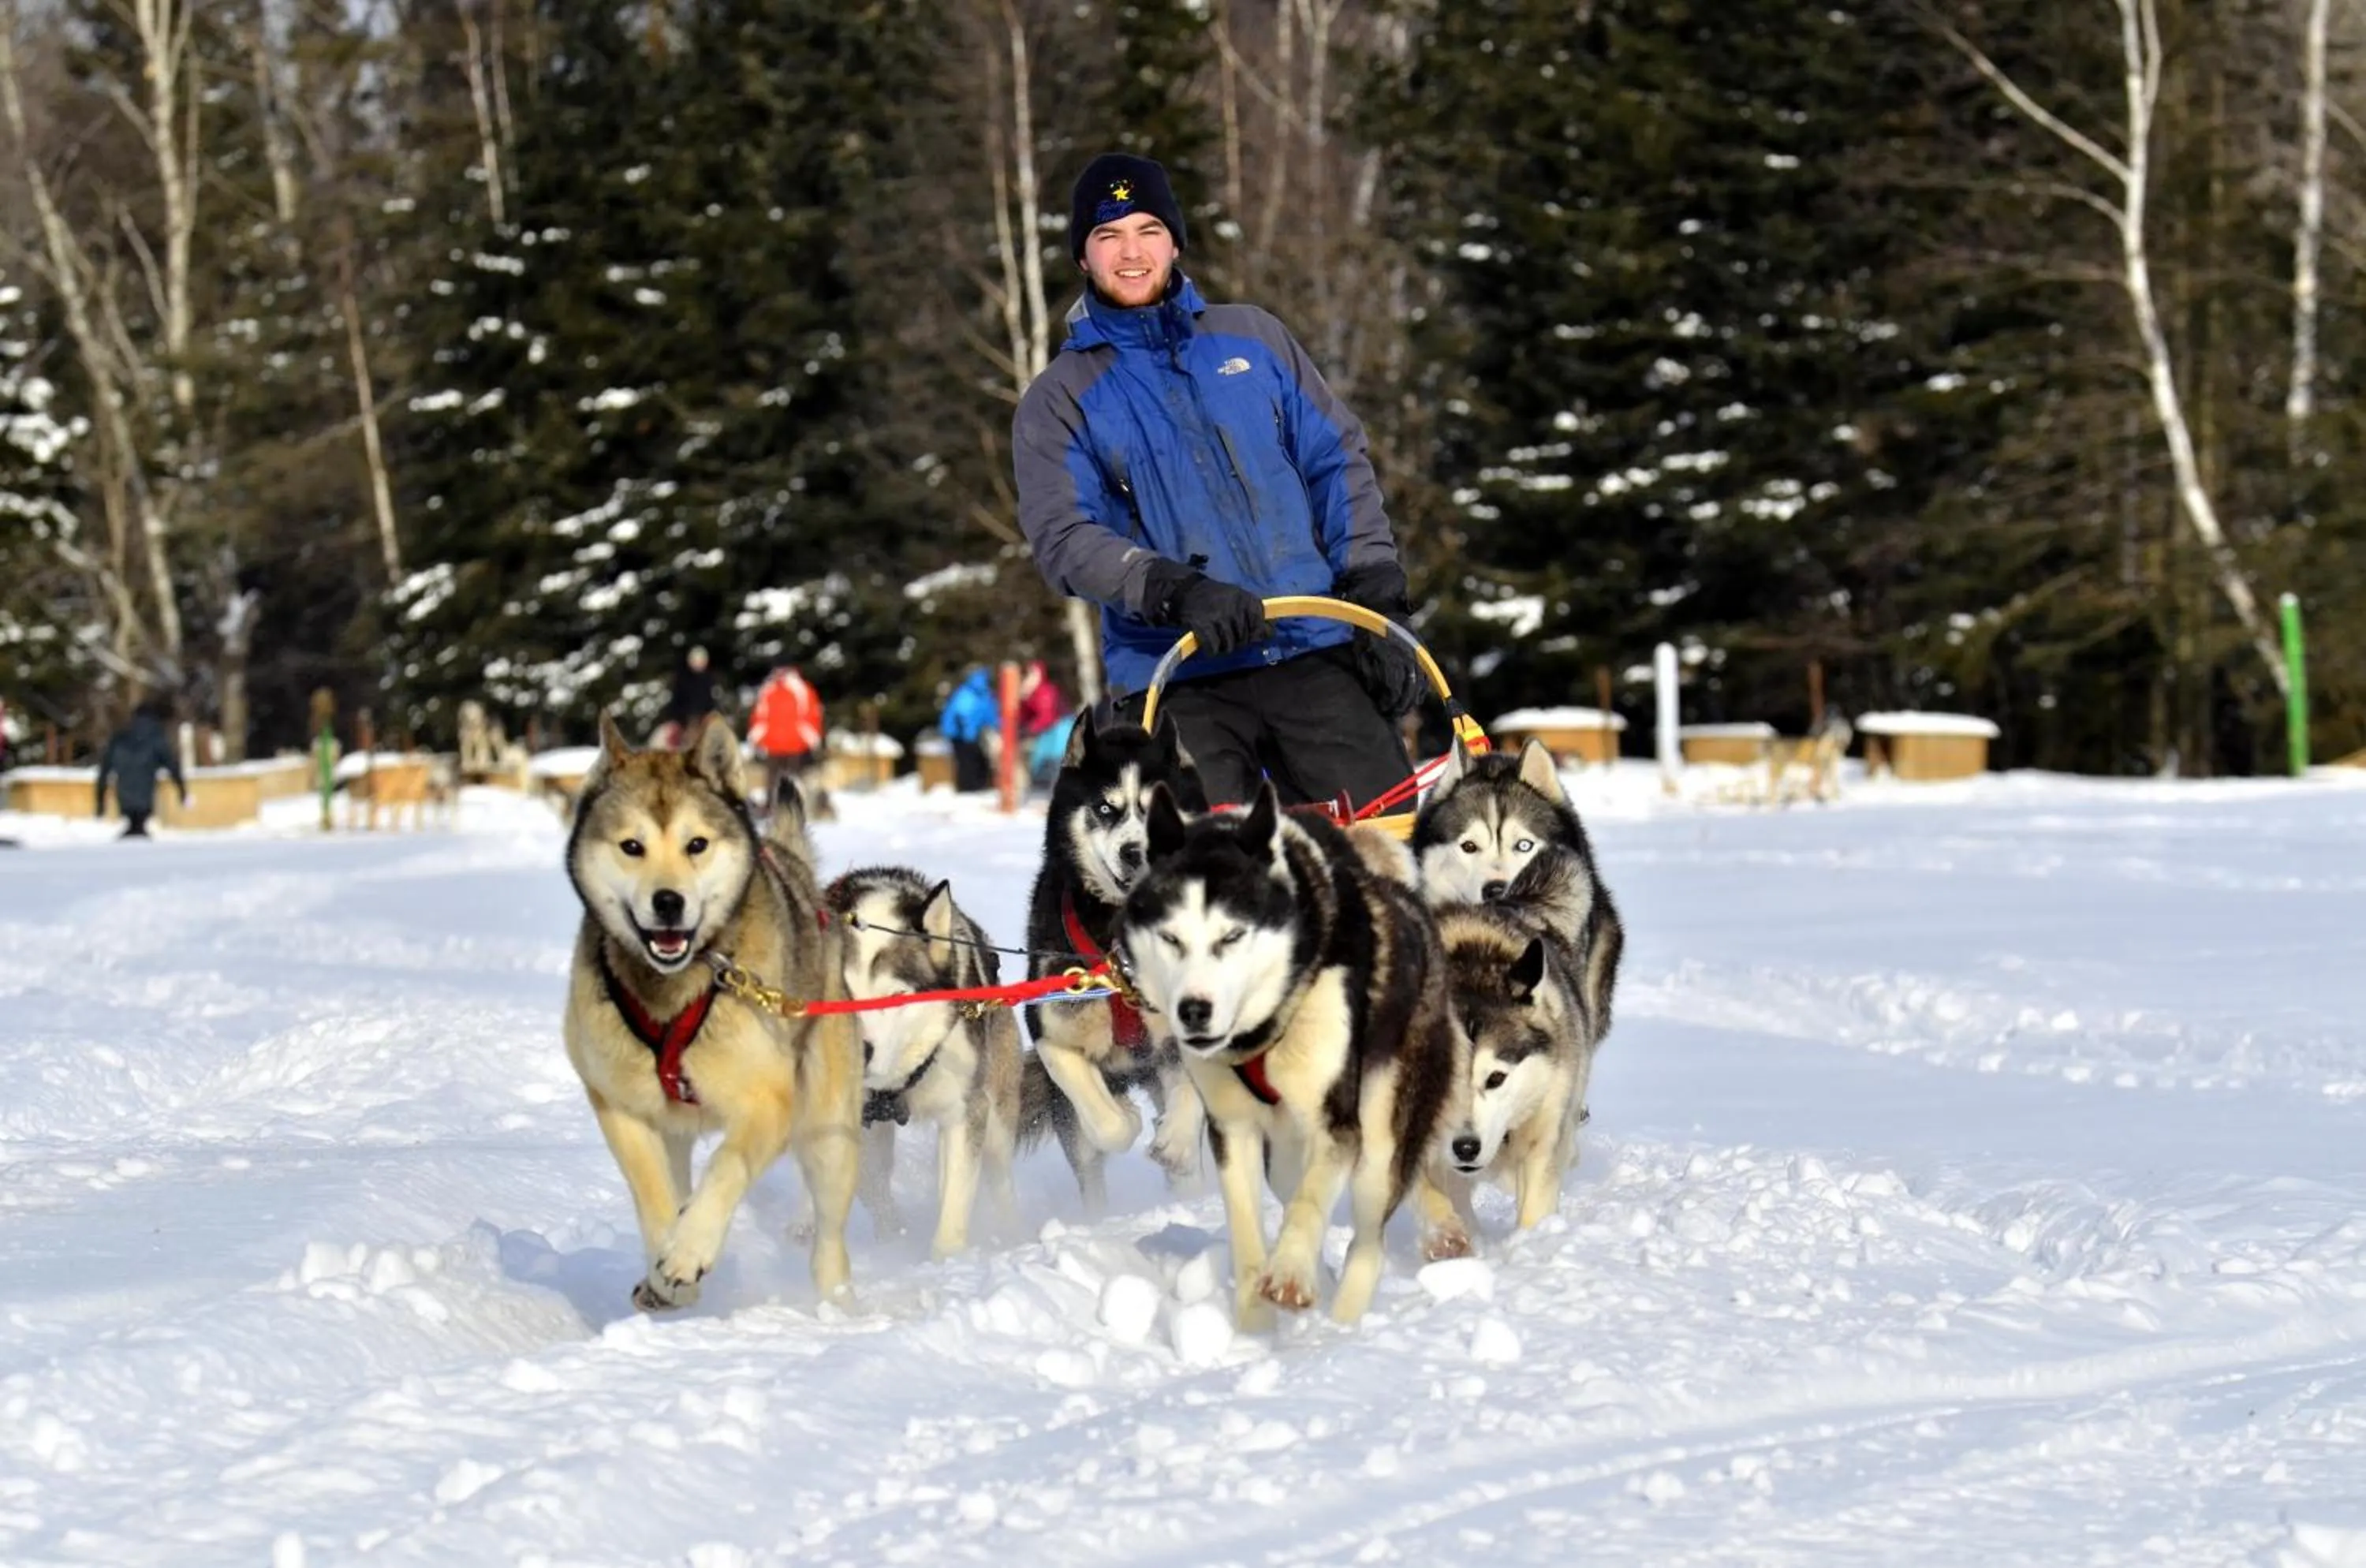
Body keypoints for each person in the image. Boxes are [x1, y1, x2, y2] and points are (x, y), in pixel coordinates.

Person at [1011, 151, 1427, 815]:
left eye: (1148, 230)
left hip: (1314, 651)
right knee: (1205, 893)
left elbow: (1335, 460)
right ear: (1082, 259)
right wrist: (1175, 589)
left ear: (1175, 241)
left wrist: (1375, 586)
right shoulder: (1057, 399)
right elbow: (1065, 537)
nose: (1131, 253)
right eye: (1107, 235)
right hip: (1176, 683)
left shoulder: (1255, 338)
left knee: (1386, 864)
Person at [96, 700, 187, 838]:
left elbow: (105, 769)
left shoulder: (121, 737)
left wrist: (100, 801)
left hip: (124, 791)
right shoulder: (156, 737)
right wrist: (181, 788)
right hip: (146, 791)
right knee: (139, 825)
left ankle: (133, 830)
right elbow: (172, 764)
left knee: (134, 824)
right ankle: (138, 831)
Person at [748, 663, 825, 804]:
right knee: (772, 781)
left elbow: (812, 714)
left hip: (795, 743)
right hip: (772, 744)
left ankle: (793, 808)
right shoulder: (767, 689)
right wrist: (756, 736)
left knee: (793, 780)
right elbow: (760, 716)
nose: (780, 673)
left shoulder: (802, 689)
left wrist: (811, 737)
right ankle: (771, 808)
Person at [937, 666, 1002, 793]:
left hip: (974, 734)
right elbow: (962, 715)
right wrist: (968, 734)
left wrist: (999, 726)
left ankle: (979, 786)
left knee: (979, 759)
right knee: (967, 761)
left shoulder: (984, 695)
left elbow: (990, 715)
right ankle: (968, 788)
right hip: (960, 735)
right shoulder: (966, 694)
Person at [656, 645, 722, 749]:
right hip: (683, 719)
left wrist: (710, 715)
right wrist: (677, 719)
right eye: (696, 660)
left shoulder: (709, 679)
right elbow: (676, 701)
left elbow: (712, 701)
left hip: (702, 718)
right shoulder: (682, 679)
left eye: (701, 661)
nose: (698, 663)